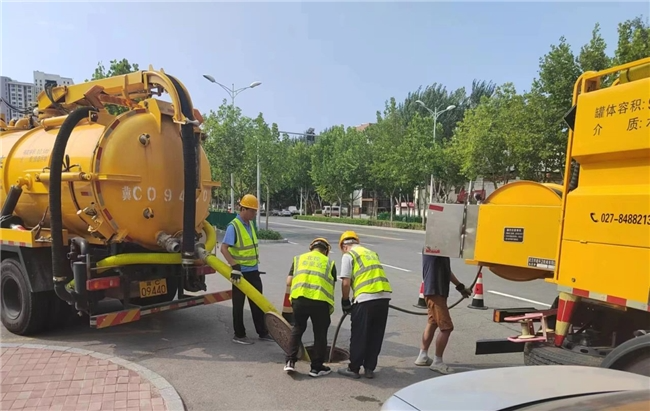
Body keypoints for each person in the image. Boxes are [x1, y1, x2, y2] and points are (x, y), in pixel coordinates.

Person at [337, 231, 392, 379]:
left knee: (359, 334)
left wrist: (345, 300)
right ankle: (369, 368)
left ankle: (354, 368)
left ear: (343, 246)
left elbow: (346, 282)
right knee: (376, 334)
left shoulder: (349, 255)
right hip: (384, 297)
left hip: (365, 298)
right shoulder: (372, 253)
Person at [220, 194, 273, 345]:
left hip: (253, 271)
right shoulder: (234, 226)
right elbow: (224, 248)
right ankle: (239, 335)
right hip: (240, 273)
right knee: (238, 304)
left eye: (255, 211)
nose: (254, 214)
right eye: (252, 211)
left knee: (258, 302)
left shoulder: (250, 225)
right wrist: (234, 266)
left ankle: (262, 332)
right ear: (243, 209)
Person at [283, 238, 337, 377]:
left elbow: (289, 281)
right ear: (326, 251)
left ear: (311, 247)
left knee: (298, 329)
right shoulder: (329, 263)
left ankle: (290, 362)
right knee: (320, 333)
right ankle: (316, 368)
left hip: (299, 299)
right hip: (320, 301)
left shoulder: (299, 259)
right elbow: (331, 286)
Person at [414, 253, 472, 374]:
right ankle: (437, 362)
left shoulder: (441, 252)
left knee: (433, 322)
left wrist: (460, 287)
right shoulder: (434, 247)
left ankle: (423, 356)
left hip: (435, 291)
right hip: (435, 292)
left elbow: (447, 272)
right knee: (446, 327)